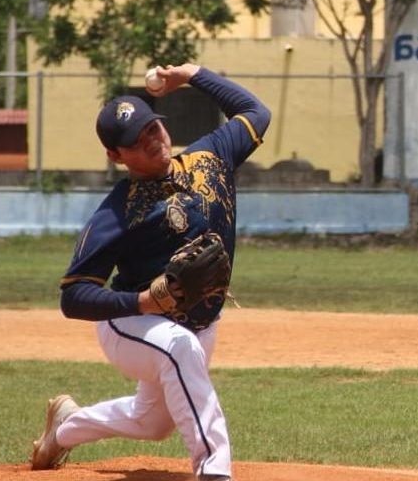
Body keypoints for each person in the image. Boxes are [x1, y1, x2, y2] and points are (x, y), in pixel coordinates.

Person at [30, 63, 270, 481]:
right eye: (137, 142)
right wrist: (142, 301)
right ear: (115, 155)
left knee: (152, 423)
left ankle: (65, 428)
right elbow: (73, 295)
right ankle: (214, 469)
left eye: (153, 130)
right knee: (179, 348)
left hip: (198, 324)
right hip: (131, 323)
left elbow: (256, 112)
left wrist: (193, 74)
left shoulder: (211, 156)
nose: (152, 142)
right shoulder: (117, 212)